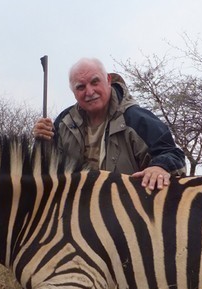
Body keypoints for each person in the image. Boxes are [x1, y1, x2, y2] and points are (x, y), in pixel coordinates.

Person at [33, 57, 186, 190]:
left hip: (126, 214)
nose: (89, 91)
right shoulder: (64, 122)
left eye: (95, 82)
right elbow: (44, 169)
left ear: (108, 80)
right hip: (75, 214)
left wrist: (160, 167)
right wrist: (42, 140)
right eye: (81, 87)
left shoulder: (136, 118)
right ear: (73, 91)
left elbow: (172, 154)